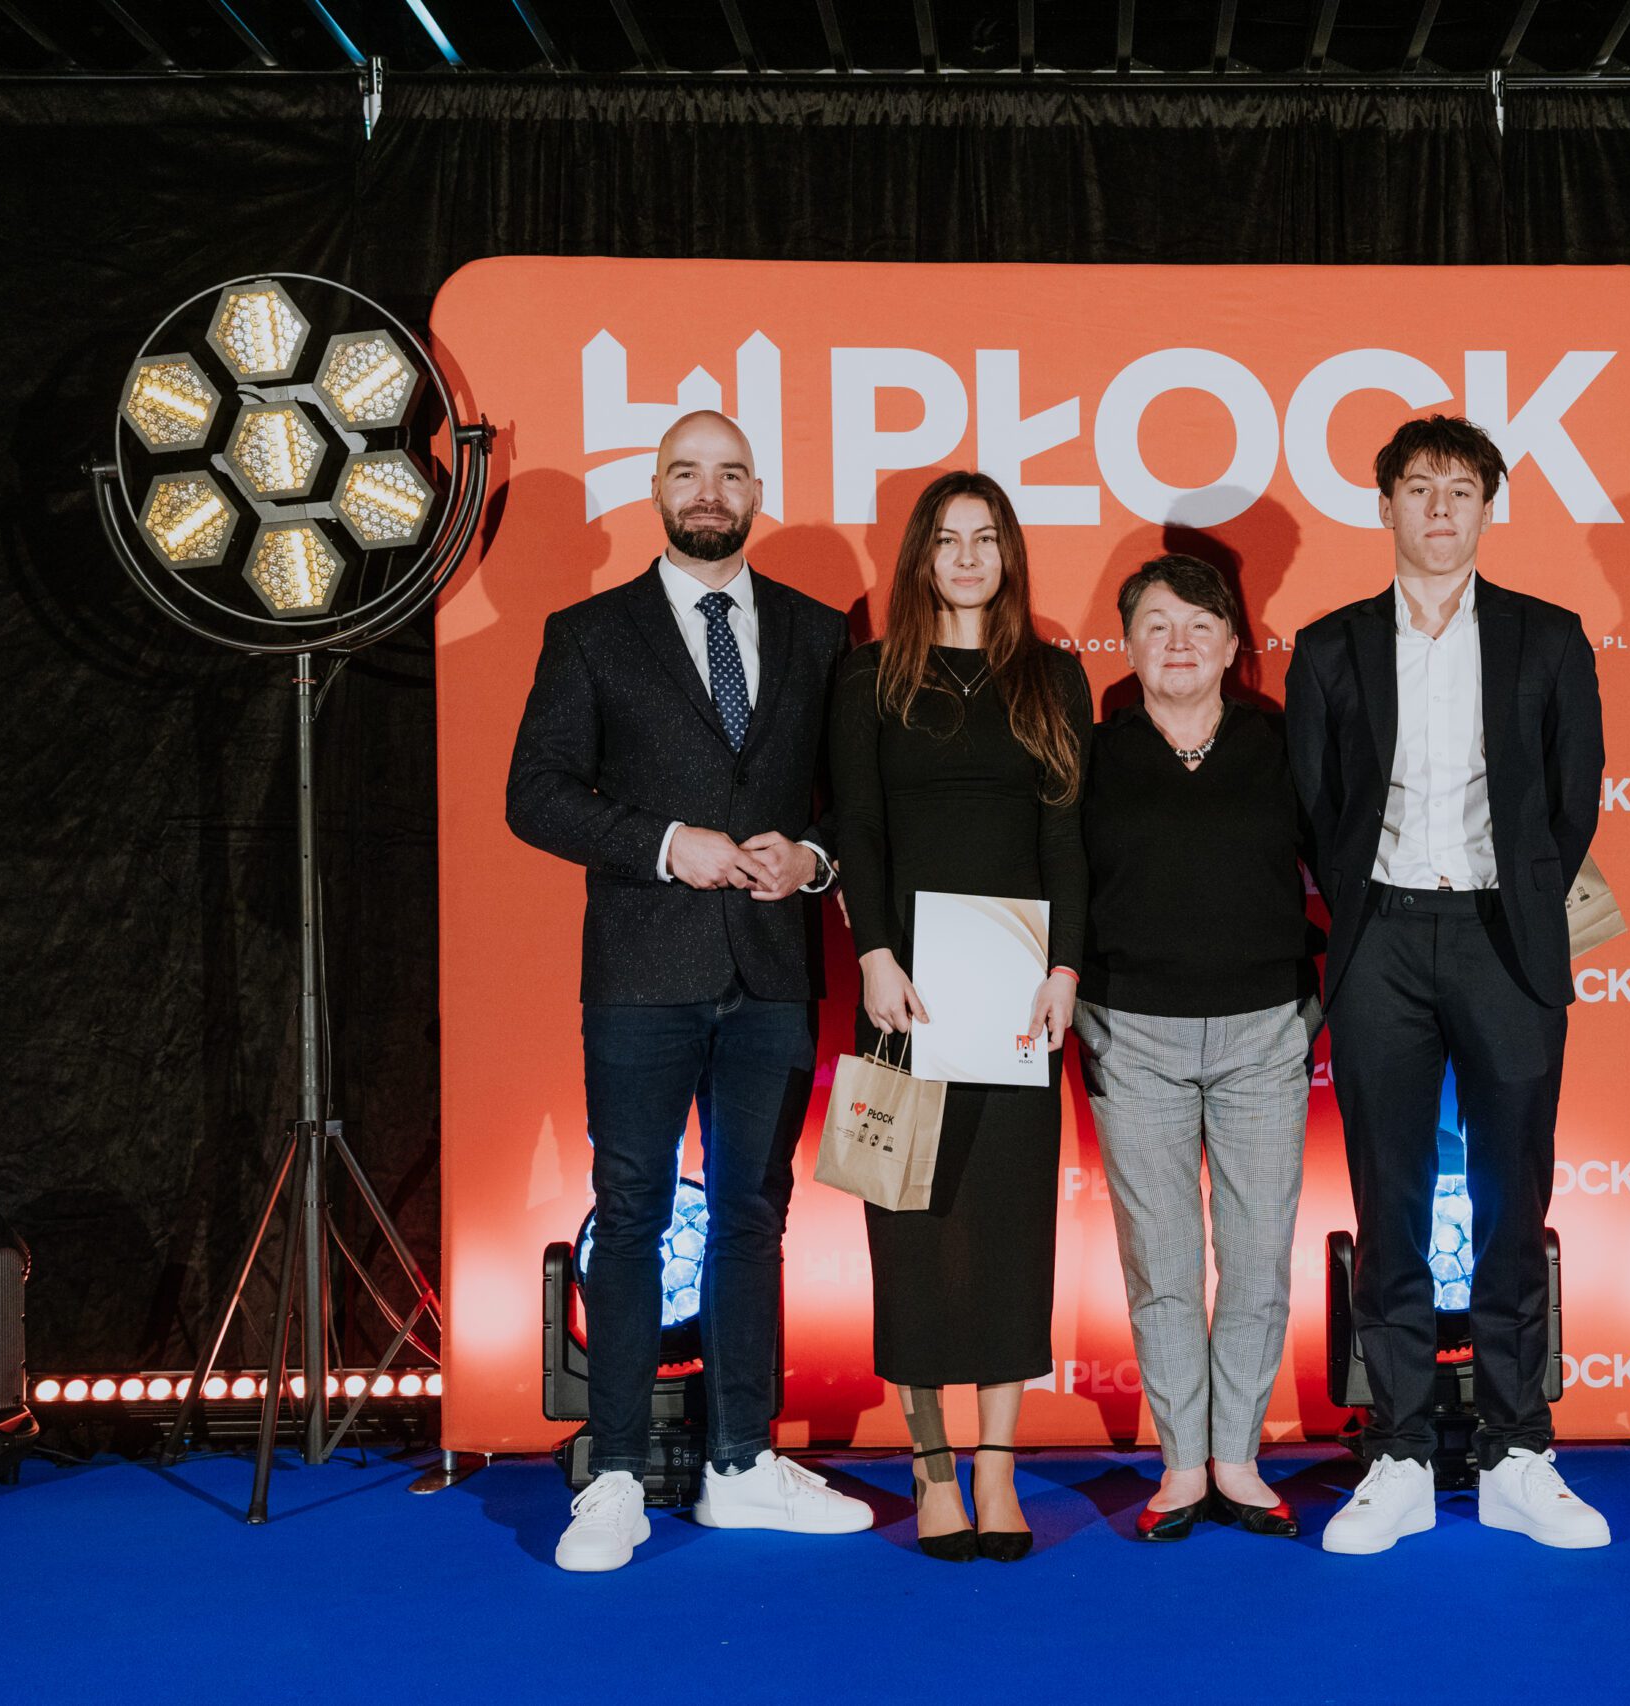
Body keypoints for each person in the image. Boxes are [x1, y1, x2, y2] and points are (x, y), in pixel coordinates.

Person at [507, 409, 872, 1573]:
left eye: (729, 473)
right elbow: (536, 793)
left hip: (771, 972)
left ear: (756, 489)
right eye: (686, 471)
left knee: (753, 1215)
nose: (709, 491)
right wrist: (669, 843)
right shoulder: (589, 633)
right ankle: (614, 1473)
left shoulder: (819, 632)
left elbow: (852, 801)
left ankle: (740, 1463)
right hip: (640, 972)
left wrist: (812, 858)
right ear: (656, 491)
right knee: (632, 1213)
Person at [1286, 414, 1612, 1553]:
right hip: (1378, 939)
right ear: (1385, 506)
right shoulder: (1329, 646)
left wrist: (1513, 898)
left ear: (1487, 509)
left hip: (1502, 940)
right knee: (1390, 1203)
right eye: (1419, 488)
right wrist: (1364, 905)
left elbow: (1572, 800)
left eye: (1461, 490)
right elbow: (1313, 805)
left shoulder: (1547, 638)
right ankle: (1399, 1454)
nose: (1439, 508)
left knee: (1515, 1199)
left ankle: (1520, 1450)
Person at [829, 470, 1092, 1563]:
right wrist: (873, 955)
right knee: (912, 1228)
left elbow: (1066, 833)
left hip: (1018, 997)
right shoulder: (869, 676)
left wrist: (1065, 967)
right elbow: (859, 827)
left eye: (986, 538)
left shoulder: (1053, 676)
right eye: (948, 539)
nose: (969, 557)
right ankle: (932, 1464)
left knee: (1011, 1224)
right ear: (921, 557)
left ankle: (997, 1464)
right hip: (906, 993)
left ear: (1009, 554)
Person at [1070, 554, 1317, 1543]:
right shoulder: (1091, 753)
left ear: (1232, 643)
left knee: (1256, 1256)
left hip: (1264, 1029)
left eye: (1200, 625)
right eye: (1158, 625)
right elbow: (1055, 878)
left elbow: (1348, 856)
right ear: (1127, 644)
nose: (1179, 643)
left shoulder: (1283, 741)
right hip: (1131, 1031)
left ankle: (1238, 1460)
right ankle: (1182, 1464)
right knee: (1162, 1259)